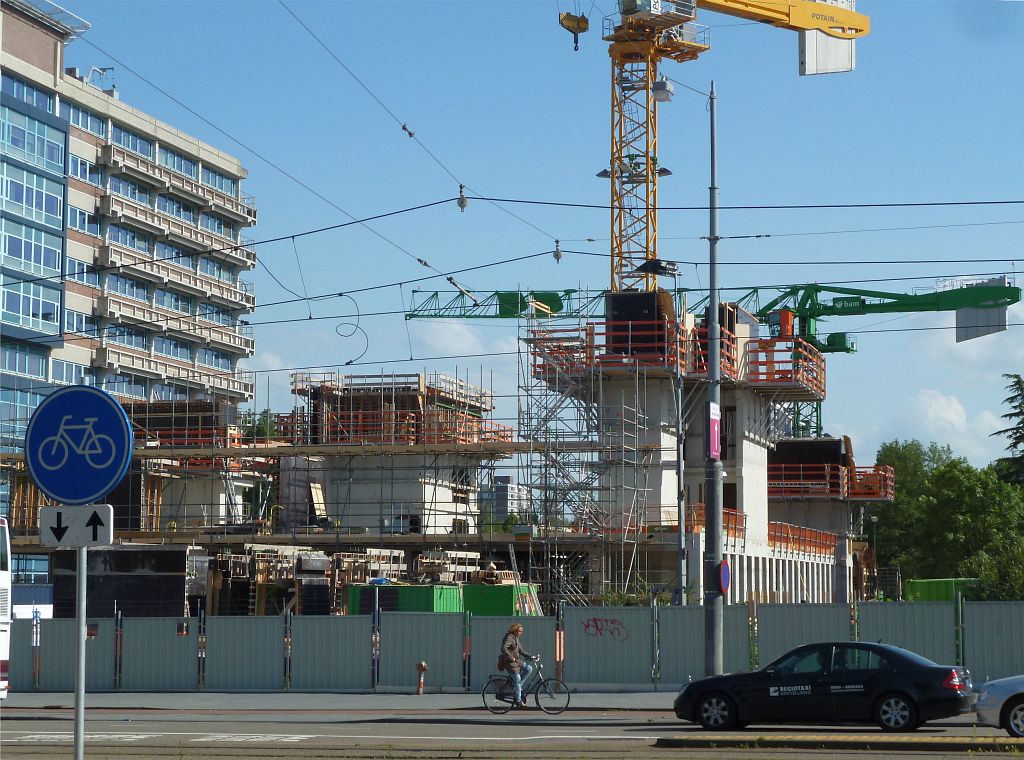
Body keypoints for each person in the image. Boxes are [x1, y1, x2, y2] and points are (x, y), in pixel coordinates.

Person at [501, 623, 538, 708]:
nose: (521, 633)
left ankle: (518, 687)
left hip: (516, 661)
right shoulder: (509, 638)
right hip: (509, 663)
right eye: (520, 631)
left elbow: (521, 651)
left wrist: (531, 656)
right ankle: (518, 700)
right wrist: (510, 657)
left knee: (529, 668)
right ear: (515, 631)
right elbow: (503, 648)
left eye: (521, 631)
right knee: (517, 679)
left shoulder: (516, 638)